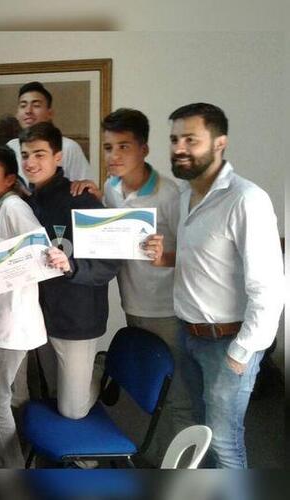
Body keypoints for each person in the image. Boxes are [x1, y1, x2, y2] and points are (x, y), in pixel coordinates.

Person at [147, 103, 284, 468]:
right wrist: (166, 258)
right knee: (201, 434)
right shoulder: (184, 194)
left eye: (191, 139)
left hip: (228, 344)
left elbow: (270, 288)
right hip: (188, 334)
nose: (179, 148)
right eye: (175, 139)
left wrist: (242, 353)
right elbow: (207, 260)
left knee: (224, 443)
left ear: (220, 143)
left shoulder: (246, 199)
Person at [70, 108, 191, 465]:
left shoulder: (171, 194)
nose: (114, 156)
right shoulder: (110, 187)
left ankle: (184, 468)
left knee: (177, 394)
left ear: (144, 149)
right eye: (108, 148)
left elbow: (198, 254)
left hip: (168, 308)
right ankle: (157, 453)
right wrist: (93, 197)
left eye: (124, 147)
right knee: (151, 386)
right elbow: (110, 234)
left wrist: (165, 256)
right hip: (133, 303)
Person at [20, 123, 121, 430]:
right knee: (53, 393)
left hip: (78, 317)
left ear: (58, 157)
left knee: (72, 408)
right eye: (25, 155)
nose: (31, 162)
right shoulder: (27, 202)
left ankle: (99, 377)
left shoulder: (83, 199)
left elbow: (108, 265)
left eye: (39, 154)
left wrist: (71, 266)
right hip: (41, 314)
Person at [0, 144, 69, 468]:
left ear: (9, 178)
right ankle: (26, 457)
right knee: (14, 396)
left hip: (12, 323)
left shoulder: (14, 207)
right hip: (6, 318)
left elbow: (41, 255)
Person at [6, 82, 90, 183]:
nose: (28, 110)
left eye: (36, 105)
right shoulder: (11, 147)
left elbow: (84, 186)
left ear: (50, 113)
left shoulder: (68, 147)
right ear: (17, 114)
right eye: (23, 106)